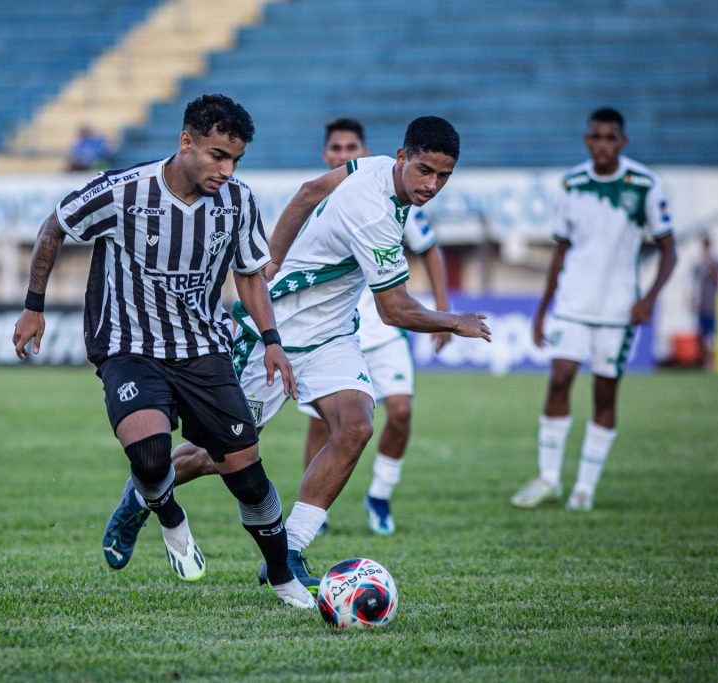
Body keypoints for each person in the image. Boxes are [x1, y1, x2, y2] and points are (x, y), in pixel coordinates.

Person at [101, 116, 491, 593]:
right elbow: (393, 310)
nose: (431, 185)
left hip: (330, 335)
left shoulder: (372, 168)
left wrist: (275, 255)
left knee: (356, 424)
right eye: (425, 171)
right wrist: (455, 320)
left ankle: (289, 551)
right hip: (277, 337)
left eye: (443, 177)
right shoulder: (374, 214)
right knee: (213, 455)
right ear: (404, 156)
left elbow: (309, 191)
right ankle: (140, 497)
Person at [12, 94, 314, 609]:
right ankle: (170, 517)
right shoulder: (125, 190)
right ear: (186, 142)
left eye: (236, 159)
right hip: (128, 346)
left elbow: (249, 275)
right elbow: (54, 227)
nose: (227, 169)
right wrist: (33, 307)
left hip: (203, 348)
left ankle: (284, 575)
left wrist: (271, 342)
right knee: (150, 457)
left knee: (247, 475)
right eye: (218, 155)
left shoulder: (238, 202)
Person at [511, 107, 676, 512]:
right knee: (560, 378)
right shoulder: (573, 183)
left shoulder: (644, 185)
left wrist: (649, 298)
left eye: (610, 137)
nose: (602, 144)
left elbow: (669, 249)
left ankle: (584, 488)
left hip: (618, 309)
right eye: (596, 137)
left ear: (622, 141)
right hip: (572, 304)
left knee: (605, 395)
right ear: (587, 140)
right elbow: (560, 251)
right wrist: (542, 310)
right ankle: (549, 479)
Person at [297, 117, 452, 536]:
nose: (343, 155)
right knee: (324, 422)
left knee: (399, 412)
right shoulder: (318, 199)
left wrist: (442, 310)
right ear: (326, 154)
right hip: (330, 331)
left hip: (383, 330)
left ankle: (380, 495)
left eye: (351, 149)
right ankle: (313, 509)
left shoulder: (396, 199)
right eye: (336, 149)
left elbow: (429, 248)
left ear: (363, 154)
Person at [693, 236, 718, 371]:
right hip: (702, 306)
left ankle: (713, 364)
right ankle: (705, 364)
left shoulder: (716, 263)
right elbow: (694, 284)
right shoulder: (699, 265)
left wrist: (711, 265)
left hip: (713, 305)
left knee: (712, 337)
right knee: (704, 336)